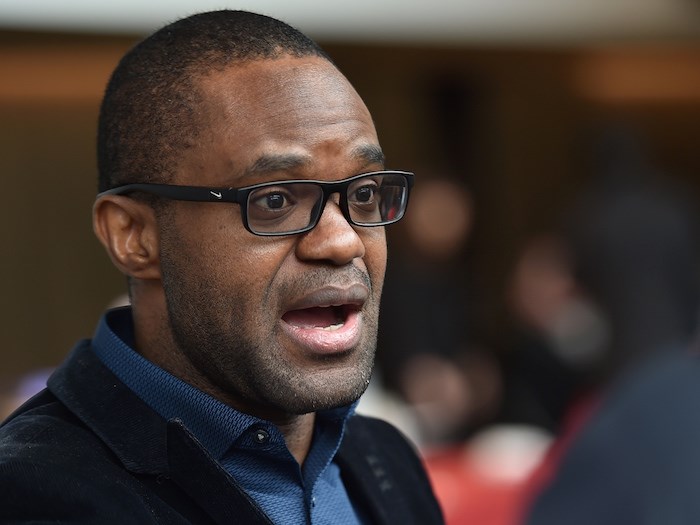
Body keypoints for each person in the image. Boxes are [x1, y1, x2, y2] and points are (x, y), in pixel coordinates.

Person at [0, 10, 443, 525]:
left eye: (364, 193)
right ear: (135, 237)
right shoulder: (38, 495)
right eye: (275, 200)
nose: (342, 241)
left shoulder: (386, 459)